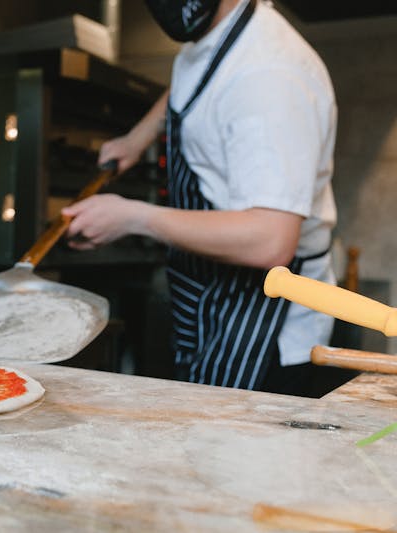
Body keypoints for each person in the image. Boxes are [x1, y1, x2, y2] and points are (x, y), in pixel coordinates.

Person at [62, 0, 337, 396]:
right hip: (214, 296)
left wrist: (133, 218)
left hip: (265, 324)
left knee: (233, 456)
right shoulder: (219, 34)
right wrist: (139, 136)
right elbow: (198, 77)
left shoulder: (272, 76)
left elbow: (269, 239)